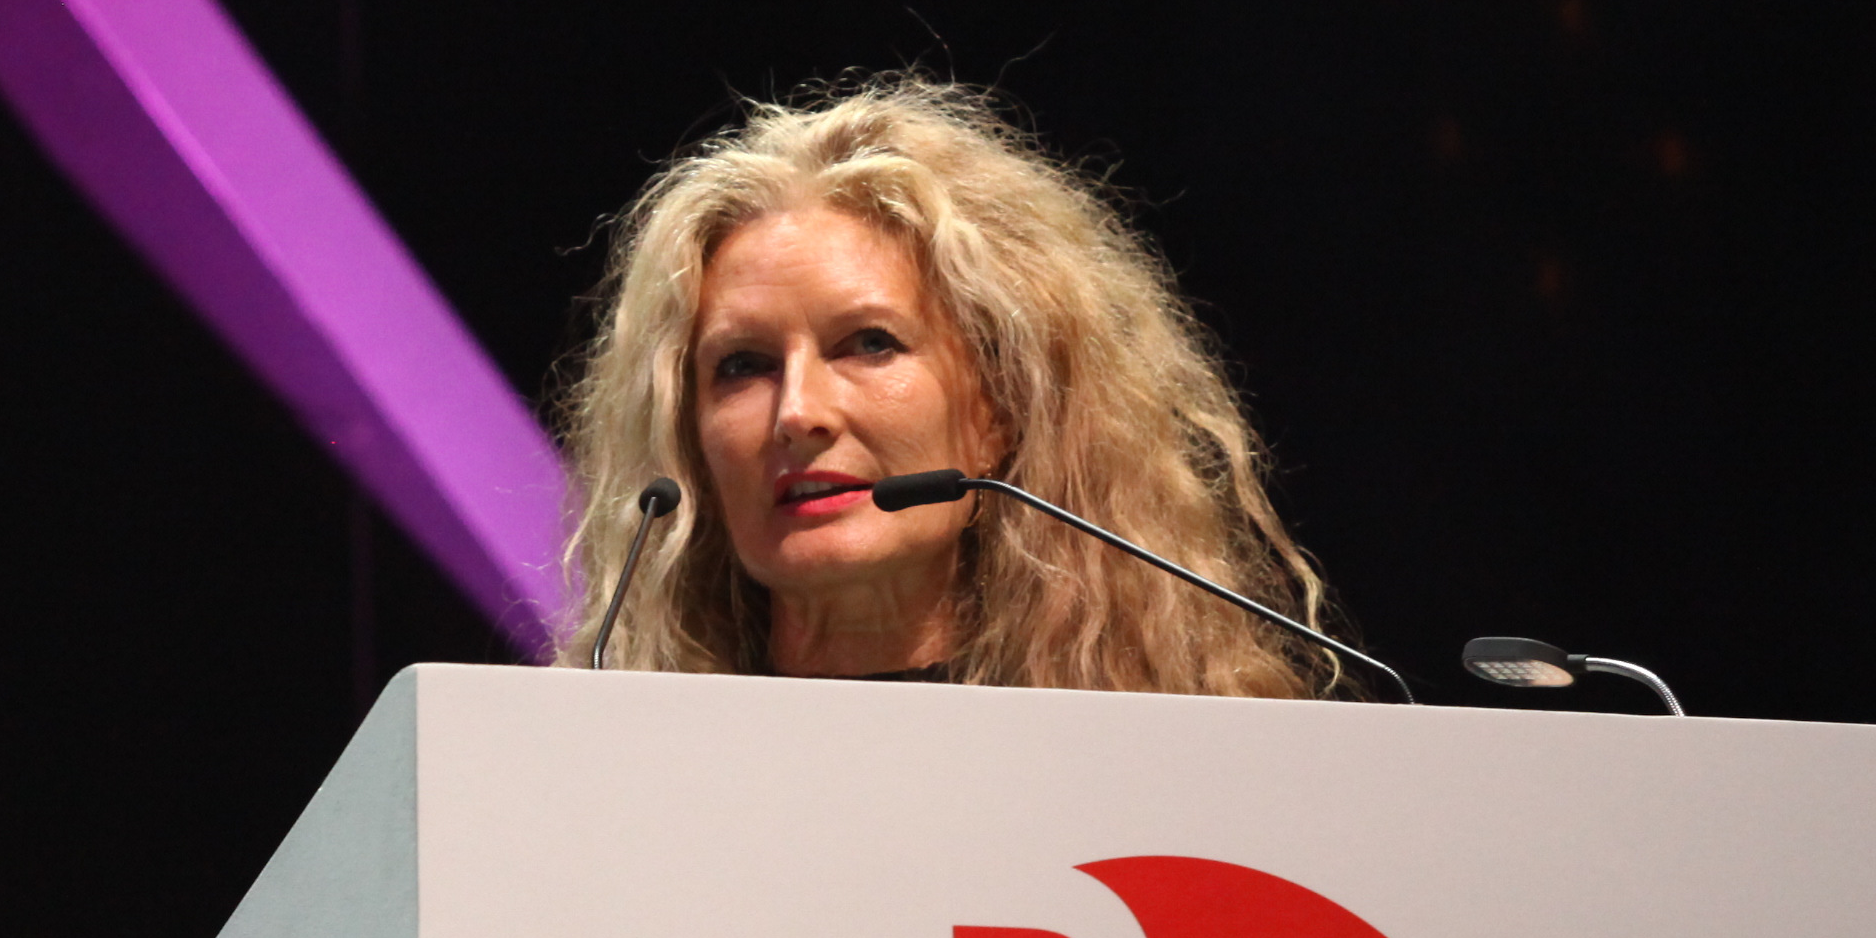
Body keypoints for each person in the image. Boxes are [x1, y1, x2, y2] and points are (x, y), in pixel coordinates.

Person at [555, 76, 1344, 694]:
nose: (797, 413)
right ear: (688, 439)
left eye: (870, 344)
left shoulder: (1176, 760)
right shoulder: (621, 763)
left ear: (999, 409)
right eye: (742, 365)